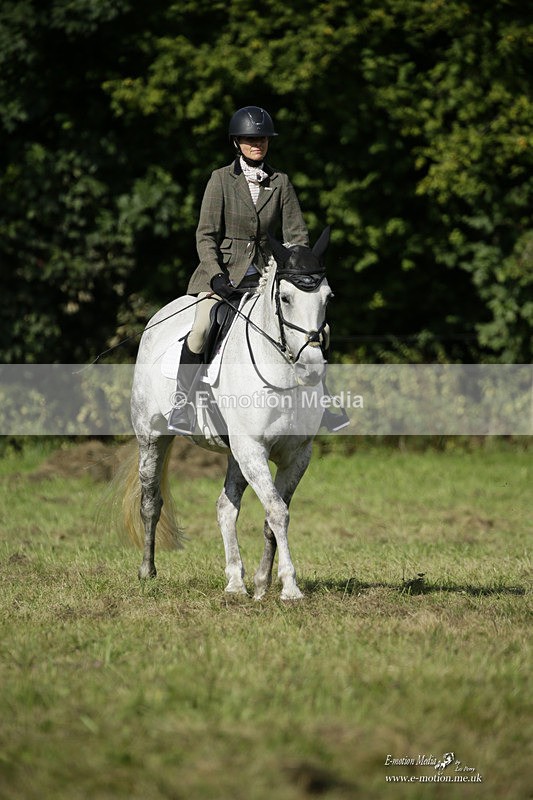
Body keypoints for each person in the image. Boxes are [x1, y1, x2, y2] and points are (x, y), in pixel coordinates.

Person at [168, 105, 348, 434]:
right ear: (237, 142)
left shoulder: (280, 182)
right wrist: (215, 273)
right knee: (201, 328)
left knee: (318, 331)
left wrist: (297, 268)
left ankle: (324, 402)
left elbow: (297, 236)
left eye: (262, 139)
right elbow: (205, 234)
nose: (257, 144)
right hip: (224, 274)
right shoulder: (220, 180)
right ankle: (184, 405)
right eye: (251, 139)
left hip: (270, 274)